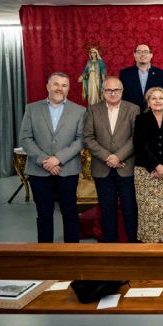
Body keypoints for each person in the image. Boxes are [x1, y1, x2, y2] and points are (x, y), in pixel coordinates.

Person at [19, 72, 86, 243]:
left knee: (70, 212)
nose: (59, 88)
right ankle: (45, 252)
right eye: (56, 84)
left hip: (67, 169)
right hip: (38, 170)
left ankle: (72, 251)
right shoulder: (32, 109)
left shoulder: (79, 111)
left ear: (68, 89)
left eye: (64, 85)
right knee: (44, 213)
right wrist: (44, 160)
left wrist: (58, 159)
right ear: (48, 86)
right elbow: (25, 138)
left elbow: (81, 140)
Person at [83, 76, 140, 242]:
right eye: (108, 90)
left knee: (130, 209)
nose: (112, 93)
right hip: (102, 168)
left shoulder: (133, 109)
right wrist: (108, 157)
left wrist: (118, 156)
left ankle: (133, 245)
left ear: (122, 91)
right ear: (103, 92)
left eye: (116, 90)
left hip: (126, 167)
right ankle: (110, 245)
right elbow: (88, 137)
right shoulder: (93, 110)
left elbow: (136, 137)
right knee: (107, 209)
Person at [133, 87, 163, 242]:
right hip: (146, 171)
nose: (157, 101)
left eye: (161, 98)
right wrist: (156, 165)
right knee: (148, 209)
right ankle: (149, 242)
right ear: (148, 102)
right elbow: (139, 145)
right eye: (153, 98)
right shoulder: (141, 119)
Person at [119, 44, 163, 109]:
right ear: (134, 55)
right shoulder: (125, 74)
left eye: (146, 52)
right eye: (139, 52)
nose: (142, 54)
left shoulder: (161, 74)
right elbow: (122, 95)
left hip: (153, 111)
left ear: (151, 55)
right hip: (131, 111)